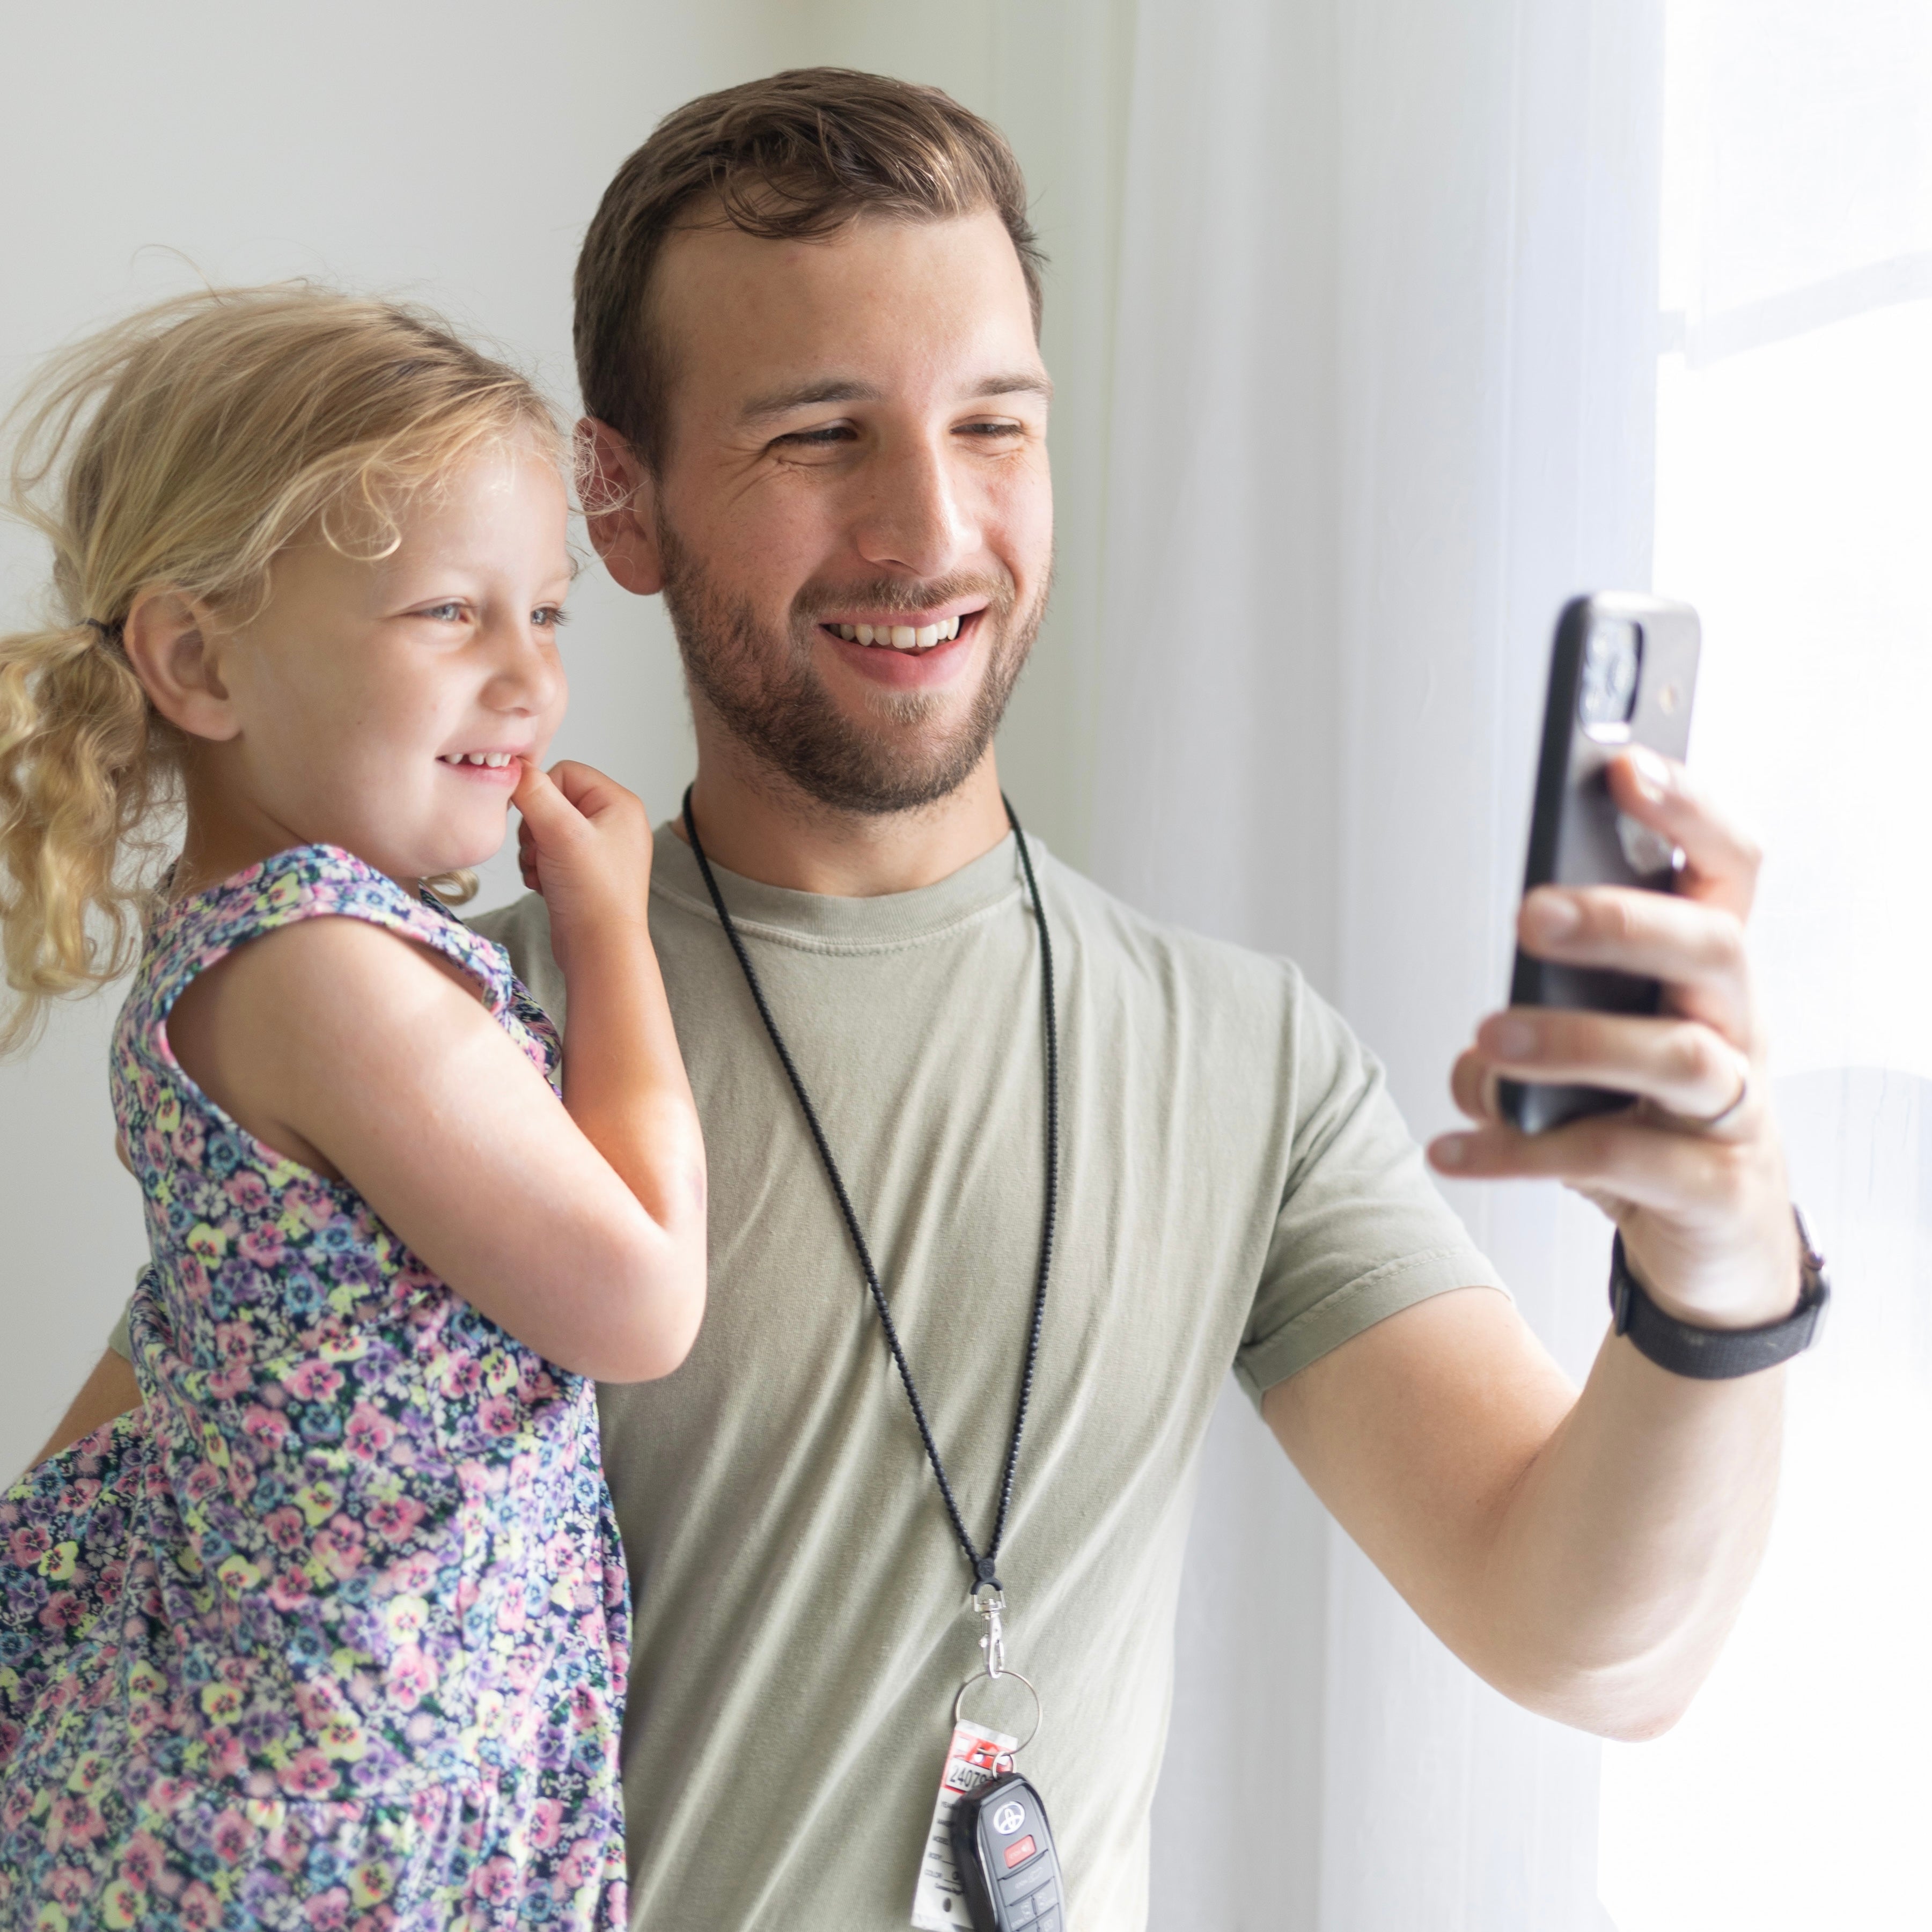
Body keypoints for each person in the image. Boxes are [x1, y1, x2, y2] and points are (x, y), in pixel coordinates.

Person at [47, 73, 1809, 1931]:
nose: (930, 527)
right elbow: (130, 1648)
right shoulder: (428, 1039)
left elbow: (1593, 1648)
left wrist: (1721, 1262)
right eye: (820, 433)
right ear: (618, 505)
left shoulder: (1242, 1055)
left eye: (995, 425)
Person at [0, 289, 708, 1926]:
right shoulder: (328, 966)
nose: (527, 679)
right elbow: (643, 1293)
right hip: (339, 1804)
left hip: (321, 1763)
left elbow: (190, 1333)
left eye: (547, 614)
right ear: (198, 660)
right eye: (449, 615)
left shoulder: (254, 952)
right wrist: (615, 930)